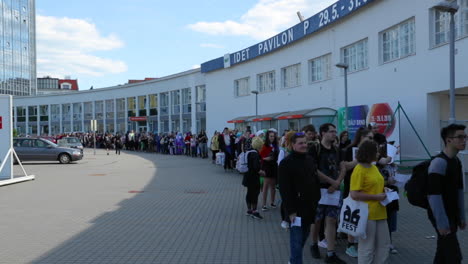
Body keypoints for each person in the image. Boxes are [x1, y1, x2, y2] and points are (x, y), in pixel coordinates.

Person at [279, 132, 321, 264]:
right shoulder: (286, 163)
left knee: (303, 238)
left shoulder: (309, 159)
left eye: (305, 143)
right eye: (300, 143)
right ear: (292, 145)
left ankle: (293, 261)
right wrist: (291, 211)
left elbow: (314, 180)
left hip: (309, 208)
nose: (304, 145)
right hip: (295, 211)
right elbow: (285, 190)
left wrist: (317, 199)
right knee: (296, 243)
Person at [427, 124, 466, 264]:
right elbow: (433, 196)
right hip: (441, 216)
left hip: (452, 215)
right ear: (448, 140)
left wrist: (461, 216)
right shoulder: (438, 163)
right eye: (460, 137)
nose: (464, 140)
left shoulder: (456, 161)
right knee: (454, 257)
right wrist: (442, 223)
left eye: (465, 137)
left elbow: (459, 191)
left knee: (442, 254)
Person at [310, 123, 346, 263]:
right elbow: (314, 169)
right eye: (331, 131)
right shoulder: (315, 149)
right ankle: (314, 244)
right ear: (323, 133)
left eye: (335, 131)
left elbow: (343, 168)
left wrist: (337, 182)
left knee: (331, 220)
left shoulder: (337, 150)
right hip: (318, 190)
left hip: (334, 191)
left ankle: (330, 254)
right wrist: (332, 182)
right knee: (317, 220)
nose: (334, 134)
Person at [350, 140, 389, 264]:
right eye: (376, 151)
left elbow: (376, 185)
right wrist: (376, 197)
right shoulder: (359, 169)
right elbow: (354, 194)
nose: (378, 154)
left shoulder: (373, 167)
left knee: (383, 245)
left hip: (380, 211)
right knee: (367, 248)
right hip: (367, 213)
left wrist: (384, 189)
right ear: (369, 153)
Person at [244, 137, 265, 220]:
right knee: (255, 194)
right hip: (254, 177)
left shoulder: (248, 152)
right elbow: (256, 167)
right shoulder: (255, 154)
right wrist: (262, 172)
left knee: (249, 193)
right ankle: (255, 211)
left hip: (247, 175)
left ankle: (249, 210)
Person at [260, 130, 279, 211]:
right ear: (267, 137)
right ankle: (264, 204)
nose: (272, 137)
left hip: (274, 166)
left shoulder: (276, 145)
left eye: (273, 136)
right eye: (271, 136)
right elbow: (261, 156)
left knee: (273, 186)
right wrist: (265, 158)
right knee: (266, 186)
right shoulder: (265, 145)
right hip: (267, 166)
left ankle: (272, 202)